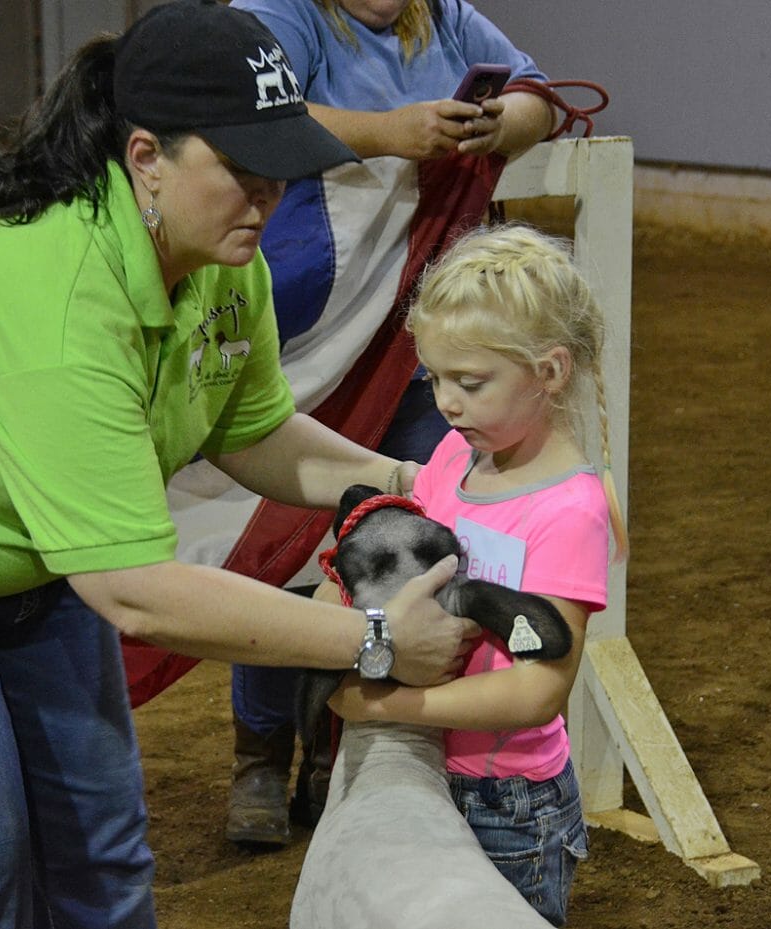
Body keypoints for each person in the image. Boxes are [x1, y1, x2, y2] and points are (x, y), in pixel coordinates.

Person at [0, 3, 481, 928]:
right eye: (241, 168)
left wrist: (409, 482)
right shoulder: (54, 288)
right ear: (145, 157)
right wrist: (374, 639)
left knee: (102, 853)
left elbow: (250, 430)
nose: (267, 196)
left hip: (30, 552)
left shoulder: (221, 253)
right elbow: (135, 590)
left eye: (280, 167)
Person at [222, 0, 559, 848]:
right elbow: (254, 109)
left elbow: (539, 95)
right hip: (309, 347)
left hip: (407, 355)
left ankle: (337, 749)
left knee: (409, 551)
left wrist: (499, 124)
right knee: (277, 552)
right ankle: (260, 750)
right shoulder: (281, 13)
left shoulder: (445, 15)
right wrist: (390, 132)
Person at [326, 222, 629, 926]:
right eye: (435, 379)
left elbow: (537, 690)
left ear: (550, 371)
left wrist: (386, 708)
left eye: (470, 382)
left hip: (508, 802)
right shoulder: (452, 456)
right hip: (428, 765)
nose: (446, 403)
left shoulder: (569, 511)